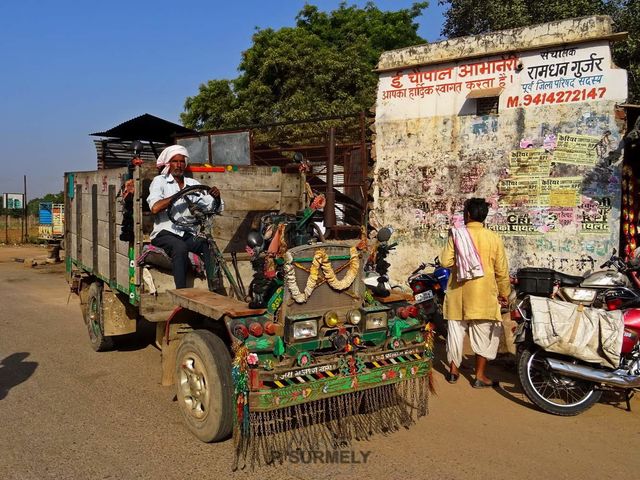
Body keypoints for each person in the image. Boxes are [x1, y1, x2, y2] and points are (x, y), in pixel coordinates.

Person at [439, 198, 510, 388]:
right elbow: (501, 271)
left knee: (455, 334)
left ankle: (453, 372)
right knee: (482, 336)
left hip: (458, 295)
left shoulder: (457, 235)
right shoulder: (493, 238)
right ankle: (479, 376)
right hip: (483, 296)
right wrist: (505, 293)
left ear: (468, 214)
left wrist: (462, 262)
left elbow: (445, 262)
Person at [146, 145, 223, 289]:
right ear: (169, 163)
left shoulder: (193, 184)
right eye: (175, 161)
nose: (179, 165)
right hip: (165, 233)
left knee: (207, 243)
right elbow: (155, 207)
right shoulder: (160, 181)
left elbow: (213, 207)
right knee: (179, 247)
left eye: (182, 162)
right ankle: (181, 292)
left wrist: (216, 197)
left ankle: (215, 286)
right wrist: (178, 195)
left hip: (187, 234)